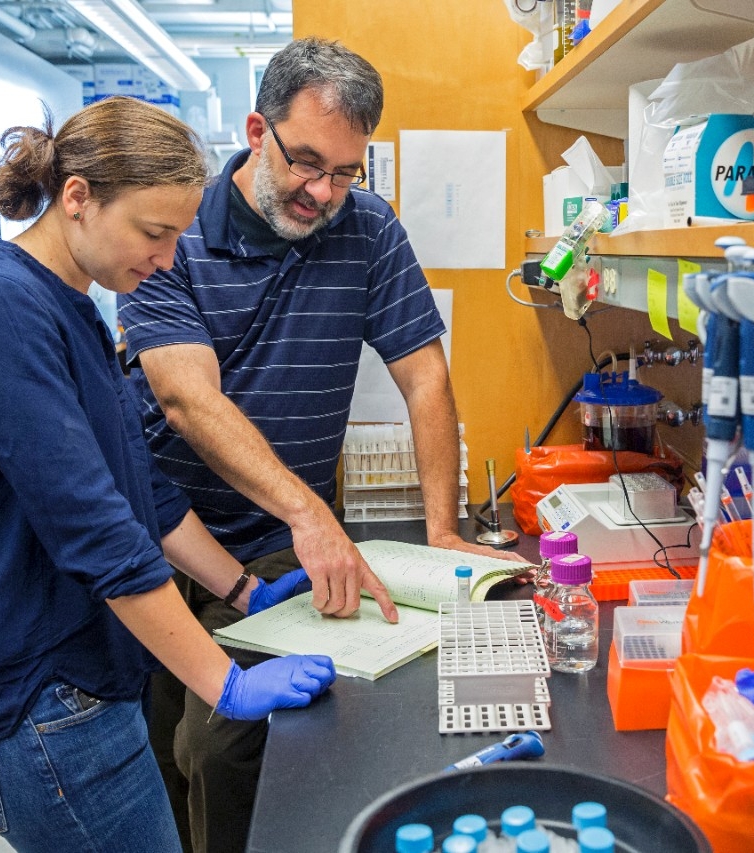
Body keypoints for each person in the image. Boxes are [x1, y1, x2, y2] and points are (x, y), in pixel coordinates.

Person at [117, 36, 521, 853]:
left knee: (222, 745)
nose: (321, 192)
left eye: (345, 172)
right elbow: (186, 398)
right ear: (256, 130)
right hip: (162, 535)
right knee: (157, 750)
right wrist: (312, 513)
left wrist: (442, 532)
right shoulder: (176, 230)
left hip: (275, 547)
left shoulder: (366, 229)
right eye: (306, 162)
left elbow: (424, 379)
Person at [0, 96, 336, 853]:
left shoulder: (74, 304)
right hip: (44, 703)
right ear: (76, 198)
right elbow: (98, 529)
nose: (170, 259)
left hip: (95, 683)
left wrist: (242, 588)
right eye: (155, 232)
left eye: (179, 234)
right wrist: (226, 684)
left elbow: (136, 482)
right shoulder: (1, 308)